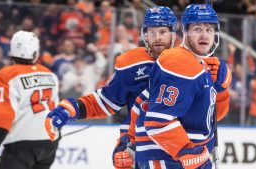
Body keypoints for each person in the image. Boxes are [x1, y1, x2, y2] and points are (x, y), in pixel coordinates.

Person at [45, 6, 178, 168]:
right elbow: (105, 101)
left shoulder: (190, 65)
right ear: (145, 34)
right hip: (142, 152)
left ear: (172, 34)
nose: (157, 38)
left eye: (162, 32)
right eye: (152, 32)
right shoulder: (132, 65)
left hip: (179, 152)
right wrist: (73, 108)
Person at [116, 3, 232, 169]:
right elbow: (158, 121)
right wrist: (187, 152)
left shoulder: (203, 66)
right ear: (184, 32)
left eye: (209, 29)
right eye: (197, 29)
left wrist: (221, 90)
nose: (204, 35)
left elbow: (212, 117)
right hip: (166, 159)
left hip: (186, 158)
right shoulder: (178, 62)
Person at [0, 30, 59, 169]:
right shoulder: (50, 75)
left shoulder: (6, 75)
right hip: (49, 146)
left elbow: (3, 116)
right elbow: (57, 112)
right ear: (35, 52)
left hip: (20, 146)